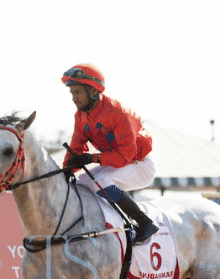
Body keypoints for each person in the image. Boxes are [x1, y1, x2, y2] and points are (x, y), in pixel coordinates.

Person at [61, 63, 159, 244]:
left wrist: (92, 158)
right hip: (117, 165)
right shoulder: (80, 116)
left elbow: (124, 156)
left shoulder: (119, 113)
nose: (74, 98)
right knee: (82, 182)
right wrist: (66, 170)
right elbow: (75, 148)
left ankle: (144, 222)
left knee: (101, 182)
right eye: (72, 93)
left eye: (78, 92)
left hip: (140, 165)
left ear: (93, 91)